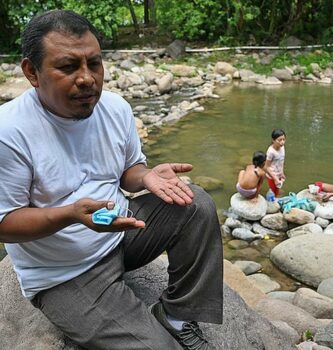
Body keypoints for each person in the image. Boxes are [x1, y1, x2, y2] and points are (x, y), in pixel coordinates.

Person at [0, 10, 223, 350]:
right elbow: (4, 224)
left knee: (195, 203)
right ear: (32, 71)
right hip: (63, 272)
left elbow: (128, 171)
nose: (87, 79)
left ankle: (176, 316)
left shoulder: (115, 108)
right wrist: (71, 214)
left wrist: (147, 176)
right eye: (68, 67)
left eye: (94, 63)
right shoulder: (9, 132)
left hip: (121, 234)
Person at [265, 128, 286, 197]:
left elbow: (282, 160)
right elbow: (266, 166)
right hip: (272, 175)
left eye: (283, 139)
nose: (282, 142)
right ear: (273, 140)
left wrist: (282, 172)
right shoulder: (271, 152)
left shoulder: (282, 147)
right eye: (279, 140)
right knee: (273, 192)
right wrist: (275, 178)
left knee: (277, 191)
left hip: (279, 173)